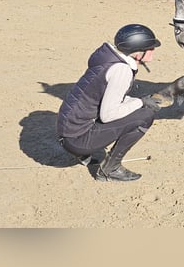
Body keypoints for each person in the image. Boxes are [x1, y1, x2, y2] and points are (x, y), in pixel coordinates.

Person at [56, 23, 164, 182]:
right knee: (145, 115)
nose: (153, 52)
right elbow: (108, 115)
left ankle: (84, 155)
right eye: (151, 49)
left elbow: (106, 98)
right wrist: (141, 102)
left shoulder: (108, 59)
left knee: (137, 106)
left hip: (68, 133)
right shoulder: (121, 70)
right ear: (138, 52)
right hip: (76, 140)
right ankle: (110, 169)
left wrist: (137, 101)